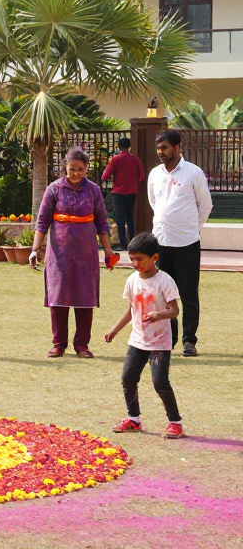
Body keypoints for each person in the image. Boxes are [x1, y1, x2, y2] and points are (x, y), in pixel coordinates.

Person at [29, 147, 117, 358]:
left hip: (86, 252)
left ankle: (82, 344)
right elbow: (42, 222)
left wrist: (108, 250)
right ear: (64, 168)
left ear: (86, 169)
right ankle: (59, 343)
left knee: (85, 297)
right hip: (59, 252)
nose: (76, 173)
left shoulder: (93, 190)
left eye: (80, 169)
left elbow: (102, 222)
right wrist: (34, 249)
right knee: (58, 297)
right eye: (72, 169)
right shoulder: (54, 189)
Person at [103, 232, 184, 439]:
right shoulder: (132, 280)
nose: (135, 263)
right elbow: (131, 310)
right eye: (132, 259)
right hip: (137, 341)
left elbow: (175, 311)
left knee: (160, 382)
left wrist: (158, 314)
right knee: (128, 378)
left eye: (140, 259)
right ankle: (133, 419)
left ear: (154, 258)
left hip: (159, 342)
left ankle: (175, 422)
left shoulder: (164, 280)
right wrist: (114, 330)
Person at [148, 129, 211, 357]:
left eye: (164, 147)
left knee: (188, 295)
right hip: (161, 243)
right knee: (164, 295)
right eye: (158, 148)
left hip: (187, 244)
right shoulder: (155, 174)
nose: (160, 152)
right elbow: (154, 202)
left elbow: (205, 206)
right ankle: (169, 339)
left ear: (177, 147)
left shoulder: (193, 173)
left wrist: (191, 228)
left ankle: (189, 341)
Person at [102, 137, 145, 250]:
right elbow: (141, 176)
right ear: (129, 146)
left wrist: (113, 177)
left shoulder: (115, 160)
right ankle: (132, 241)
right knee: (130, 216)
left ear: (119, 147)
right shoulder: (136, 160)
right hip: (132, 192)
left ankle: (123, 243)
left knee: (119, 218)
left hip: (118, 192)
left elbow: (104, 176)